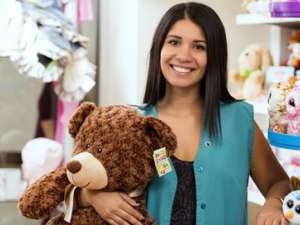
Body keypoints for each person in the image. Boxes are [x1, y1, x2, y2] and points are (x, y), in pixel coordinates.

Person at [78, 2, 291, 225]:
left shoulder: (240, 120)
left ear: (214, 56)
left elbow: (278, 182)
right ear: (159, 47)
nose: (184, 55)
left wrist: (275, 203)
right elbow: (75, 179)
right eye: (174, 42)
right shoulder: (130, 123)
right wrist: (94, 197)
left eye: (199, 46)